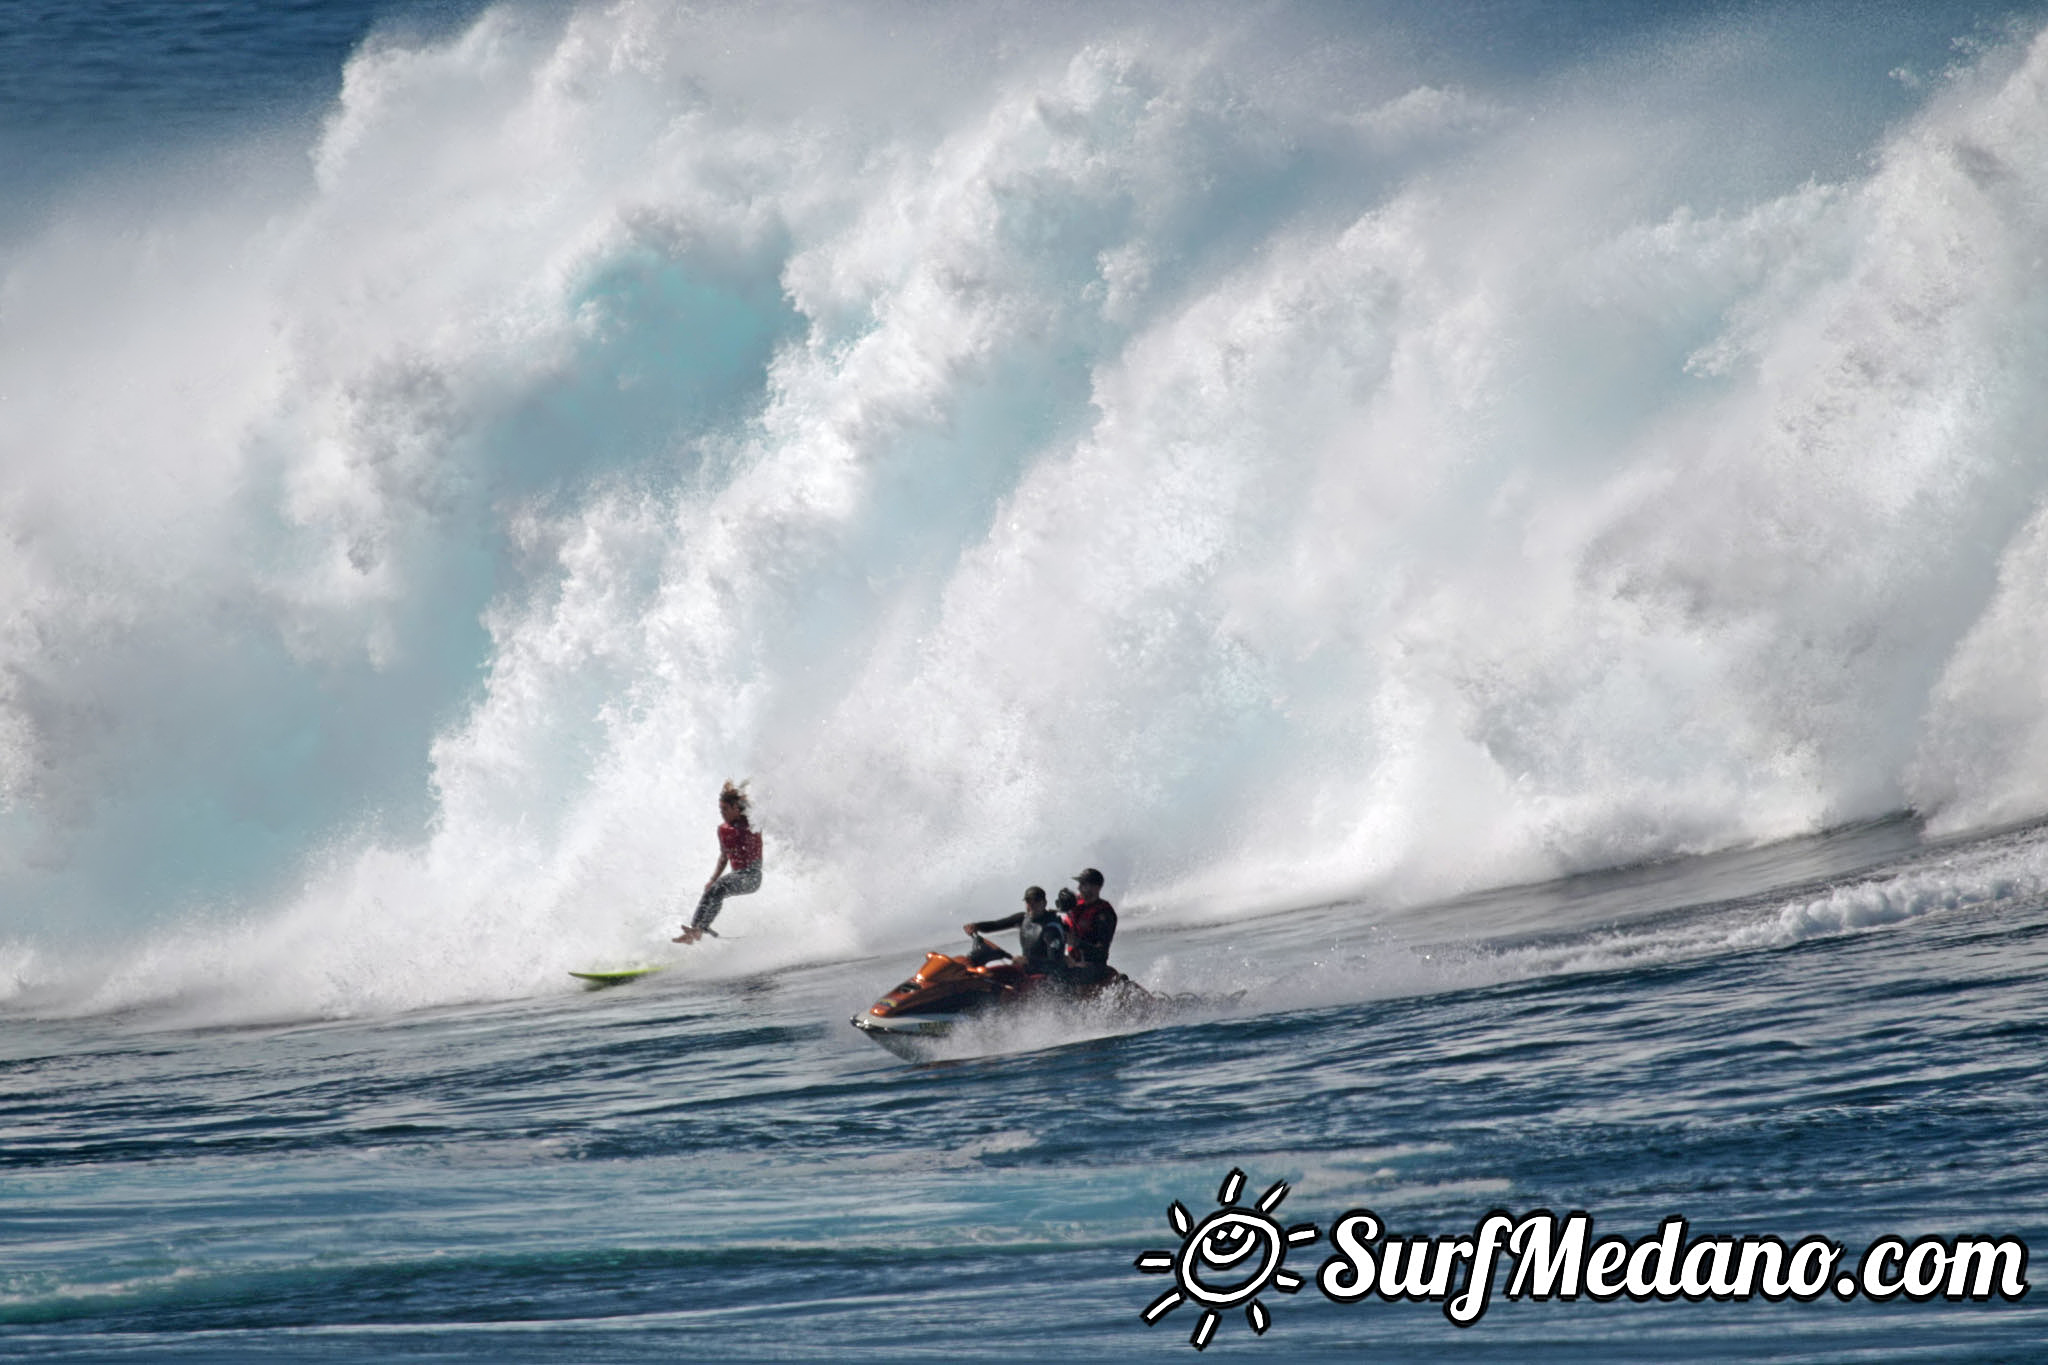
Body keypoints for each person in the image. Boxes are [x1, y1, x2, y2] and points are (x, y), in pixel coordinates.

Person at [674, 781, 762, 943]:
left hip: (752, 876)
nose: (722, 813)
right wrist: (712, 879)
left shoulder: (751, 822)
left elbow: (760, 808)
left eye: (726, 809)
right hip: (737, 875)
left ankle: (700, 929)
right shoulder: (723, 829)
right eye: (720, 810)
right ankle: (695, 929)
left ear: (736, 807)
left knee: (719, 887)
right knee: (711, 890)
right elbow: (724, 856)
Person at [963, 886, 1067, 975]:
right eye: (1028, 901)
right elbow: (996, 925)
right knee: (987, 974)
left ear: (1044, 903)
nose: (1032, 905)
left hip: (1046, 978)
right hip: (1027, 971)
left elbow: (1055, 964)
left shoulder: (1051, 929)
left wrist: (1028, 961)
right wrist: (976, 926)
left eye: (1036, 901)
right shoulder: (1022, 918)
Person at [1061, 867, 1117, 985]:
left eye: (1083, 884)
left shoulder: (1104, 914)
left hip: (1093, 965)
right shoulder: (1075, 906)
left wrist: (1076, 943)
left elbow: (1101, 951)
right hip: (1072, 961)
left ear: (1096, 887)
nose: (1078, 888)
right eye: (1079, 884)